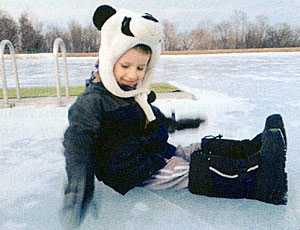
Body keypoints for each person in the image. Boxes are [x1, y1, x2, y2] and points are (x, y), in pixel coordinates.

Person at [60, 5, 287, 229]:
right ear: (109, 60)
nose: (133, 75)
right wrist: (78, 192)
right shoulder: (92, 102)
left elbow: (153, 120)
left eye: (140, 68)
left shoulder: (131, 94)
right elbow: (77, 146)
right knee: (190, 170)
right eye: (126, 65)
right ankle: (259, 179)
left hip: (152, 152)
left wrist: (179, 123)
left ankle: (253, 149)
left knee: (195, 149)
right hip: (133, 170)